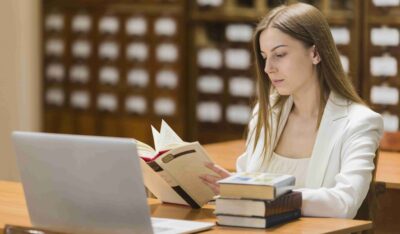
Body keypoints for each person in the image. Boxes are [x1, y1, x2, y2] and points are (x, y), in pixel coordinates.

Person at [199, 3, 383, 219]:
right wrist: (234, 186)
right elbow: (249, 185)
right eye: (264, 56)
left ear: (315, 53)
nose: (268, 68)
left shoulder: (359, 122)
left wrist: (270, 195)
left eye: (280, 54)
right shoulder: (266, 113)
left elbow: (344, 203)